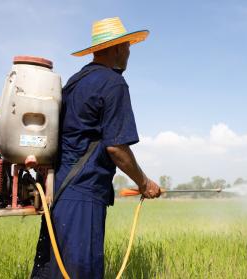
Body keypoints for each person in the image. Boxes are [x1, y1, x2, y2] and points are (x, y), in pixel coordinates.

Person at [31, 17, 161, 279]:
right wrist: (144, 182)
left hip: (57, 191)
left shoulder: (75, 82)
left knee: (52, 271)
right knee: (81, 271)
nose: (128, 53)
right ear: (116, 48)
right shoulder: (113, 83)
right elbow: (116, 148)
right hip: (84, 193)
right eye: (127, 47)